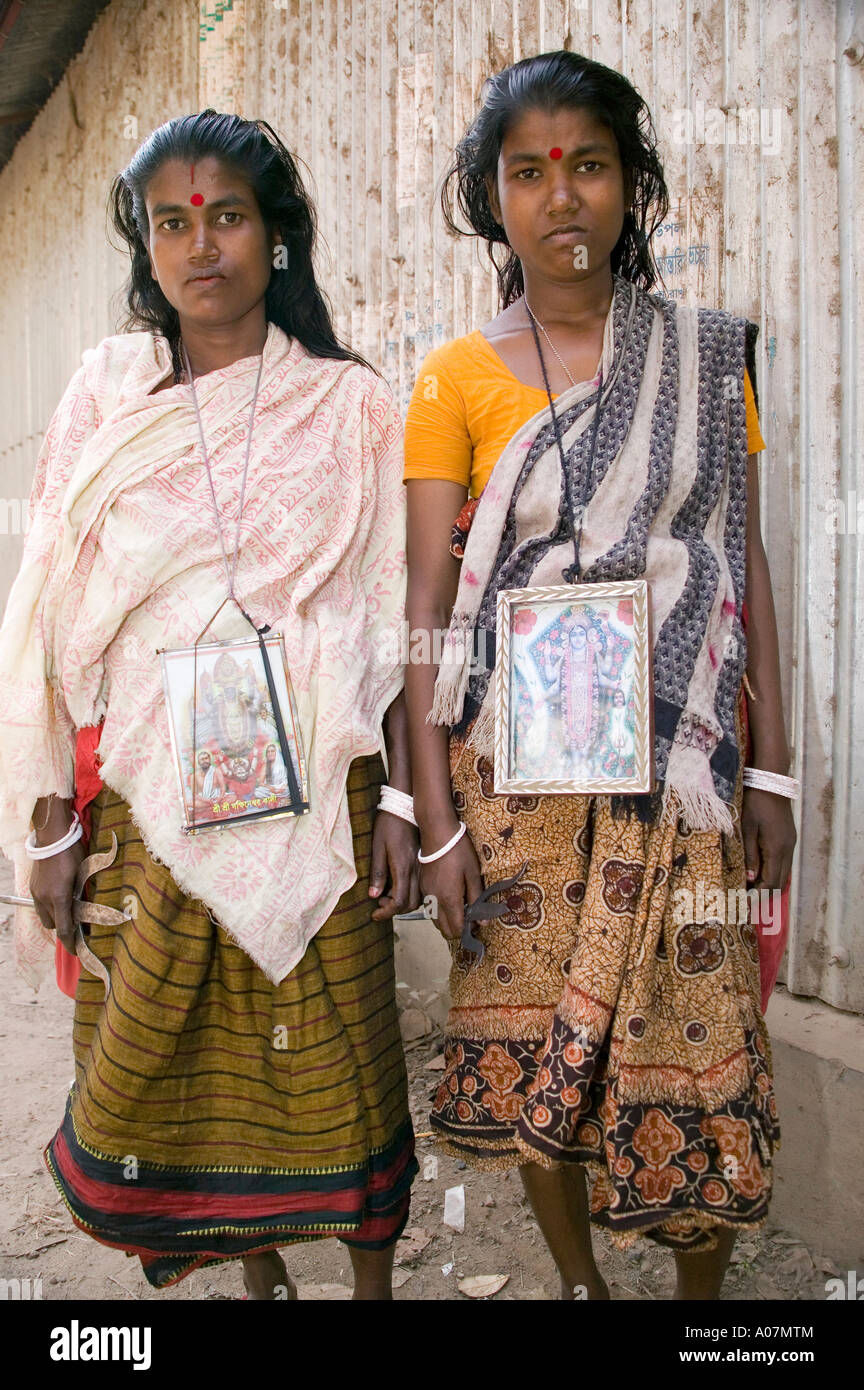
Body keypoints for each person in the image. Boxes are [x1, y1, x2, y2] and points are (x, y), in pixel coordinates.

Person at [0, 111, 421, 1299]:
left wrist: (396, 798)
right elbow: (48, 605)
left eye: (227, 215)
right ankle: (259, 1271)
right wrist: (49, 819)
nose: (200, 245)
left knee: (347, 1059)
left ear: (276, 235)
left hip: (316, 800)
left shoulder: (347, 406)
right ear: (145, 244)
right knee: (173, 1070)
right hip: (146, 788)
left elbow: (386, 619)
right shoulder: (104, 394)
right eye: (170, 222)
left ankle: (374, 1291)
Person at [403, 51, 796, 1300]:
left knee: (707, 1055)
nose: (561, 198)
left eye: (588, 165)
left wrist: (774, 769)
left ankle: (699, 1308)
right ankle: (578, 1286)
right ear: (492, 195)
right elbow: (424, 612)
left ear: (633, 183)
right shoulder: (453, 379)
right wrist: (432, 823)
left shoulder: (700, 358)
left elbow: (747, 569)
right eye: (528, 172)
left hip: (680, 782)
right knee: (533, 1072)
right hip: (514, 787)